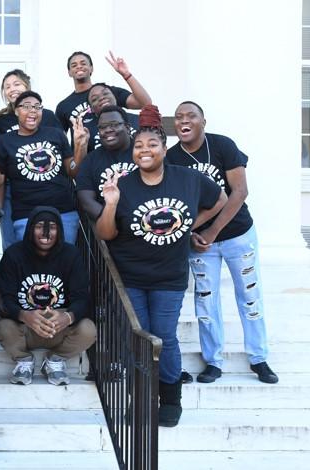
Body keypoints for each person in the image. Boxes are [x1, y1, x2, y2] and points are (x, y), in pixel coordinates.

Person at [95, 105, 227, 427]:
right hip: (132, 276)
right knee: (138, 338)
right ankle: (139, 398)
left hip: (169, 277)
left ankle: (170, 397)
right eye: (139, 146)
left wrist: (194, 225)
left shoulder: (188, 179)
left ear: (164, 149)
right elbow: (104, 233)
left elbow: (221, 199)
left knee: (164, 336)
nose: (145, 150)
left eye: (152, 145)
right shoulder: (123, 186)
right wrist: (110, 203)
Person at [167, 101, 278, 385]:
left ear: (203, 121)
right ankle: (213, 361)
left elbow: (240, 191)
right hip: (200, 241)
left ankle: (258, 357)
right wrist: (190, 233)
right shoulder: (171, 158)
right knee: (205, 301)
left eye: (191, 115)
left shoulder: (223, 146)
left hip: (237, 234)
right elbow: (176, 204)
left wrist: (213, 230)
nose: (184, 121)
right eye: (178, 117)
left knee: (250, 297)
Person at [0, 206, 96, 386]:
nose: (46, 232)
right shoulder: (14, 254)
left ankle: (54, 360)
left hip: (59, 325)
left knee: (88, 330)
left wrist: (68, 316)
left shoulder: (70, 254)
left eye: (53, 227)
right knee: (4, 328)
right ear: (30, 228)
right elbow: (3, 298)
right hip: (25, 325)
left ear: (60, 230)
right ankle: (24, 360)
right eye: (40, 226)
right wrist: (24, 315)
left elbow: (82, 297)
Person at [0, 91, 83, 245]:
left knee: (63, 264)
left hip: (63, 213)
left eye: (37, 107)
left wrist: (80, 146)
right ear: (16, 111)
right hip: (26, 216)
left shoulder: (56, 134)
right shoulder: (5, 142)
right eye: (27, 106)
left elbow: (72, 170)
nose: (32, 111)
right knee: (31, 266)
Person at [0, 69, 63, 251]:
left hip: (46, 185)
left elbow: (61, 149)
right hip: (12, 186)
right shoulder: (0, 120)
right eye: (7, 87)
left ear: (27, 85)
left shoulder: (46, 115)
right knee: (13, 241)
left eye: (16, 84)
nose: (12, 89)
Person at [55, 51, 150, 140]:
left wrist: (126, 75)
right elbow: (60, 140)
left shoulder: (108, 92)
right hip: (87, 156)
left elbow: (144, 103)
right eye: (74, 65)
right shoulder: (64, 106)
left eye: (83, 63)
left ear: (91, 68)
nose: (79, 67)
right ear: (69, 72)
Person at [75, 105, 137, 220]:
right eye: (102, 127)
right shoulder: (90, 160)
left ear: (127, 127)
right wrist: (111, 221)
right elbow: (86, 201)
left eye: (114, 124)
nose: (108, 130)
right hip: (112, 228)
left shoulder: (144, 152)